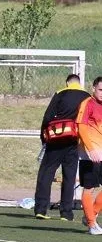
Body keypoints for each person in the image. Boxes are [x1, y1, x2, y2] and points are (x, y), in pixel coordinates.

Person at [34, 74, 89, 220]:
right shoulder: (87, 97)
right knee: (69, 176)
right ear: (79, 83)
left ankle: (41, 209)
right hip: (74, 140)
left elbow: (47, 117)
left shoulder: (60, 93)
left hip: (56, 139)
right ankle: (66, 212)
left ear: (67, 83)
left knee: (46, 173)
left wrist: (43, 137)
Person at [75, 77, 102, 235]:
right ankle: (92, 224)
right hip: (89, 154)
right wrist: (90, 149)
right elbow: (81, 127)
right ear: (93, 89)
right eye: (100, 90)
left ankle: (91, 214)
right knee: (89, 188)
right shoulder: (87, 103)